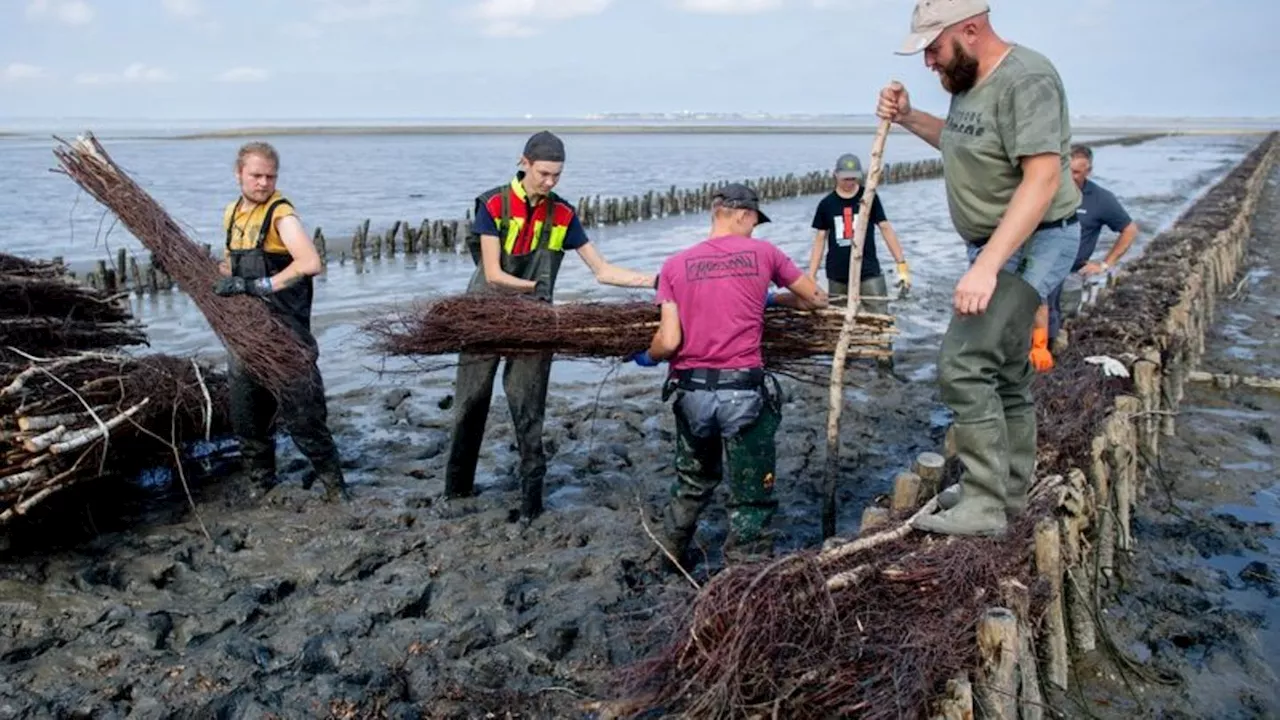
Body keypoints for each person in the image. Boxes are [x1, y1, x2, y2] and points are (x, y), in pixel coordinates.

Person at [878, 0, 1080, 537]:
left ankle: (986, 505)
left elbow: (1040, 181)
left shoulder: (1027, 79)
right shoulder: (968, 81)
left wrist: (987, 266)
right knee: (1006, 370)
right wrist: (908, 117)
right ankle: (1006, 492)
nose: (929, 62)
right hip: (994, 246)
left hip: (1032, 243)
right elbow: (961, 140)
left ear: (971, 28)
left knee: (962, 364)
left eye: (934, 48)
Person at [447, 131, 656, 521]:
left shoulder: (564, 213)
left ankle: (531, 501)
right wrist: (538, 290)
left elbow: (603, 270)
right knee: (469, 406)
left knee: (529, 410)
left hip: (535, 325)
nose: (550, 182)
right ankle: (456, 491)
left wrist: (657, 280)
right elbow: (492, 274)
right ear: (523, 162)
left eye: (557, 175)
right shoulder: (492, 204)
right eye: (544, 173)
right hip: (483, 314)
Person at [630, 183, 827, 570]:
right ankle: (743, 573)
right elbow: (816, 298)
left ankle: (667, 558)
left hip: (692, 394)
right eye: (754, 221)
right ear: (741, 215)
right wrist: (770, 297)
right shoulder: (765, 253)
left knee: (692, 483)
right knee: (751, 494)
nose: (755, 229)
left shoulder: (674, 264)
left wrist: (646, 357)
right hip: (743, 395)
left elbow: (669, 341)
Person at [213, 141, 349, 502]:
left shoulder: (282, 215)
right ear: (238, 174)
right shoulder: (232, 214)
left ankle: (336, 488)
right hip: (246, 338)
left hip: (286, 334)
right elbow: (230, 266)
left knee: (305, 418)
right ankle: (261, 485)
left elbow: (309, 262)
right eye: (256, 175)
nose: (263, 183)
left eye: (270, 176)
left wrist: (260, 284)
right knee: (248, 418)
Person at [1045, 144, 1140, 340]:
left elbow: (1129, 230)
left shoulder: (1101, 199)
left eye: (1077, 172)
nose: (1070, 177)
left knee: (1063, 323)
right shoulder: (1046, 190)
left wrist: (1105, 264)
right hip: (1040, 270)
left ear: (1089, 171)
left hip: (1072, 274)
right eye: (1066, 171)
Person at [807, 152, 911, 315]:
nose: (849, 182)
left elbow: (885, 228)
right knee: (839, 318)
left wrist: (901, 264)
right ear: (835, 175)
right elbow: (820, 239)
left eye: (853, 178)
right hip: (838, 273)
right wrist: (812, 275)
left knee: (879, 316)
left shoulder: (869, 198)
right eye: (845, 178)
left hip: (868, 270)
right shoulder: (826, 204)